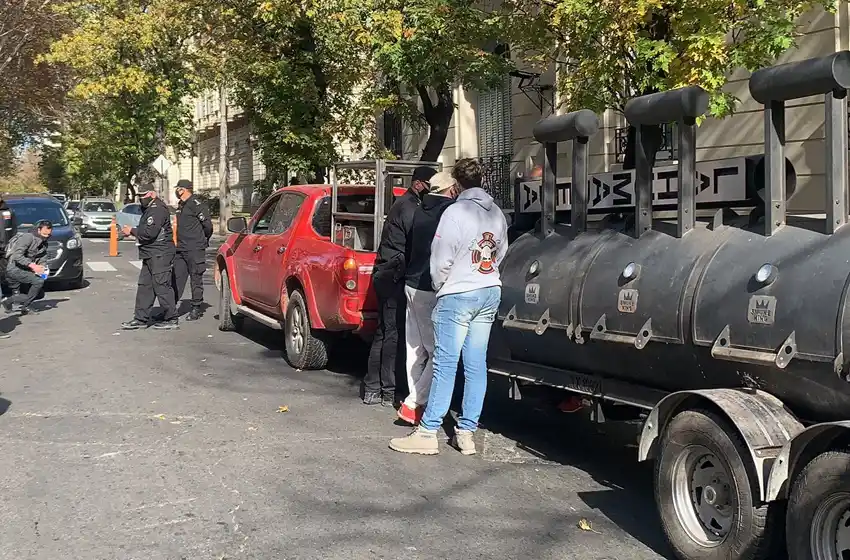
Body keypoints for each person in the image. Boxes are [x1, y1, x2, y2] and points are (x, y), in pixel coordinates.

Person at [390, 158, 508, 456]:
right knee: (476, 364)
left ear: (456, 184)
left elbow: (440, 259)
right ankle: (466, 432)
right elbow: (501, 252)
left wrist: (443, 286)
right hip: (488, 288)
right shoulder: (496, 213)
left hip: (458, 292)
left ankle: (428, 432)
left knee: (445, 363)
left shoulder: (455, 212)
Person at [363, 166, 437, 406]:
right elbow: (417, 240)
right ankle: (387, 391)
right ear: (418, 184)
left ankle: (373, 388)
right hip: (393, 276)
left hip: (386, 273)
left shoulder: (404, 204)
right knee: (392, 333)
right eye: (429, 186)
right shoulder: (409, 207)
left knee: (384, 332)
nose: (431, 191)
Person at [397, 171, 457, 425]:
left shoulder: (420, 209)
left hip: (411, 283)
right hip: (430, 287)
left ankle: (415, 399)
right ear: (451, 190)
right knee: (438, 351)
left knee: (415, 348)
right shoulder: (449, 212)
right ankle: (415, 403)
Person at [120, 186, 179, 330]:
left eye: (143, 195)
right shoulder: (149, 208)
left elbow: (149, 233)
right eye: (139, 195)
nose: (141, 198)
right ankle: (140, 318)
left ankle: (171, 317)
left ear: (152, 194)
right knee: (145, 286)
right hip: (150, 253)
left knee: (162, 285)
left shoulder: (157, 209)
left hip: (160, 253)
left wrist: (132, 231)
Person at [172, 179, 213, 321]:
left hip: (195, 248)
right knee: (176, 278)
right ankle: (171, 308)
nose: (176, 191)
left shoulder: (196, 205)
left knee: (196, 278)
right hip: (181, 249)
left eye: (177, 188)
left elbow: (208, 227)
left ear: (182, 190)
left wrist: (201, 241)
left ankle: (196, 308)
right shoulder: (181, 205)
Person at [2, 219, 52, 316]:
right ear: (38, 230)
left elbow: (42, 258)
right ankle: (24, 307)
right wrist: (32, 265)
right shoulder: (28, 237)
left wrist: (43, 268)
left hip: (25, 269)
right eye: (44, 234)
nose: (46, 237)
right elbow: (17, 256)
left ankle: (9, 301)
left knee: (40, 293)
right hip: (14, 268)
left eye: (48, 235)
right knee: (38, 282)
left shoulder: (44, 243)